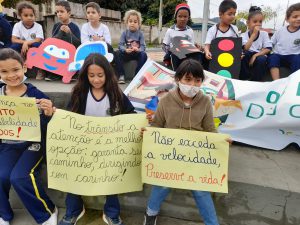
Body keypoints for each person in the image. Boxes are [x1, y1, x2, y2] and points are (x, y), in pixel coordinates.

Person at [58, 53, 135, 225]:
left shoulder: (116, 93)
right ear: (85, 75)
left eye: (100, 75)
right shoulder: (79, 93)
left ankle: (112, 212)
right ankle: (73, 209)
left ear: (107, 73)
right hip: (84, 146)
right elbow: (68, 118)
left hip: (109, 147)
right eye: (91, 75)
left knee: (112, 176)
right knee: (73, 173)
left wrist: (139, 125)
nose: (96, 79)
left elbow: (131, 114)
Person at [143, 59, 222, 225]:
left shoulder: (206, 101)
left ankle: (212, 223)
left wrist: (222, 142)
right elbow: (157, 125)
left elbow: (210, 129)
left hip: (196, 157)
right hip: (169, 156)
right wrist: (148, 133)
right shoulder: (165, 101)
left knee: (201, 190)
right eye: (188, 79)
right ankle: (150, 214)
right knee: (162, 185)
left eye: (197, 80)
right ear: (178, 79)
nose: (192, 84)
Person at [0, 48, 57, 225]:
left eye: (15, 69)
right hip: (8, 144)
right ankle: (3, 214)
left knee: (20, 177)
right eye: (4, 71)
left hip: (33, 146)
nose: (11, 75)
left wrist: (49, 114)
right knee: (1, 175)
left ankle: (47, 212)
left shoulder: (37, 95)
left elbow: (50, 127)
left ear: (24, 68)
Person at [45, 0, 81, 81]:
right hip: (58, 53)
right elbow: (53, 42)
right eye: (57, 12)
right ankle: (54, 74)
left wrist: (69, 33)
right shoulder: (56, 26)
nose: (59, 14)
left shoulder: (74, 27)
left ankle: (72, 74)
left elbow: (78, 44)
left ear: (69, 13)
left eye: (62, 11)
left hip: (70, 54)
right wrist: (60, 32)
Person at [162, 3, 203, 70]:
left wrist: (196, 48)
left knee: (198, 54)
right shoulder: (170, 30)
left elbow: (191, 46)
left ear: (188, 18)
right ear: (176, 17)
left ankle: (197, 71)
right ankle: (177, 73)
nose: (182, 19)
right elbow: (165, 46)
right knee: (176, 52)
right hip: (174, 54)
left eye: (185, 16)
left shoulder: (190, 31)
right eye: (180, 16)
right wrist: (170, 50)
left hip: (187, 55)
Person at [267, 3, 300, 80]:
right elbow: (271, 43)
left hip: (294, 56)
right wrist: (265, 50)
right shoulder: (280, 31)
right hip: (279, 55)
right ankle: (277, 82)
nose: (299, 18)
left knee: (298, 59)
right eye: (295, 17)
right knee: (273, 58)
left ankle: (294, 82)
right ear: (287, 19)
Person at [239, 6, 272, 81]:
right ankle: (244, 78)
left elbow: (268, 49)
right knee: (244, 55)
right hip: (247, 53)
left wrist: (255, 56)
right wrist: (253, 35)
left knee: (261, 60)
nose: (258, 24)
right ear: (248, 23)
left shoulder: (264, 34)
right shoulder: (243, 35)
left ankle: (256, 81)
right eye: (255, 21)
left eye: (260, 22)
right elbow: (246, 48)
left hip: (259, 54)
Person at [116, 9, 147, 84]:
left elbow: (143, 46)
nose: (132, 23)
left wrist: (138, 49)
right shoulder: (125, 33)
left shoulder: (140, 34)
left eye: (135, 22)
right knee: (117, 53)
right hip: (128, 53)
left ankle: (137, 75)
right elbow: (120, 45)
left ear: (139, 23)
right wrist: (125, 50)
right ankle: (121, 75)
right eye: (130, 21)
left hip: (136, 53)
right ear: (127, 22)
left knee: (144, 55)